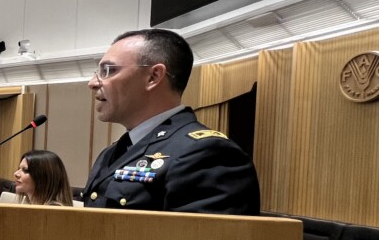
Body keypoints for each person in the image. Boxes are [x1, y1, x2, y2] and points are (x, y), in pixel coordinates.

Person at [83, 29, 259, 215]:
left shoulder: (208, 154)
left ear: (153, 77)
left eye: (108, 71)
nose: (93, 83)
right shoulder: (113, 151)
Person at [6, 150, 74, 206]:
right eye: (19, 168)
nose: (16, 174)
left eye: (25, 170)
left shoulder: (54, 213)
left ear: (43, 177)